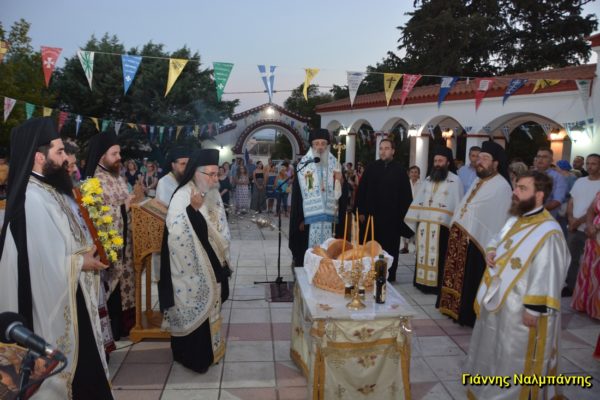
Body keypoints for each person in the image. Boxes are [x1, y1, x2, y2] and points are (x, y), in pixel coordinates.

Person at [0, 118, 113, 399]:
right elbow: (38, 262)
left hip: (74, 291)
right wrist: (80, 262)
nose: (66, 159)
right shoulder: (31, 197)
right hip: (55, 298)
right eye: (60, 152)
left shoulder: (51, 189)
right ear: (40, 157)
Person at [465, 171, 570, 400]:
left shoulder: (549, 232)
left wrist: (534, 310)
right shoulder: (517, 218)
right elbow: (498, 238)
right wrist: (491, 251)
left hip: (522, 311)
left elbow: (549, 273)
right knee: (494, 350)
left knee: (516, 357)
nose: (514, 192)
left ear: (539, 195)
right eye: (516, 187)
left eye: (522, 188)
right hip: (499, 301)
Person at [158, 149, 231, 373]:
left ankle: (213, 350)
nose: (215, 179)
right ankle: (193, 357)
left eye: (217, 174)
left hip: (213, 262)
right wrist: (193, 211)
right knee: (196, 309)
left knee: (213, 307)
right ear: (196, 173)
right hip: (191, 269)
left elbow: (221, 226)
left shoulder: (213, 193)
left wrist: (222, 253)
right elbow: (176, 234)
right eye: (210, 174)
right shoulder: (182, 195)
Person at [438, 141, 512, 326]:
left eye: (485, 158)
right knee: (456, 275)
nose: (480, 161)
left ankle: (466, 313)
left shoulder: (502, 186)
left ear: (496, 163)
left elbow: (495, 219)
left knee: (470, 277)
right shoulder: (479, 180)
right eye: (479, 158)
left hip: (478, 242)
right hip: (461, 237)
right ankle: (452, 308)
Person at [85, 131, 136, 340]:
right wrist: (124, 207)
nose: (119, 157)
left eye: (119, 153)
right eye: (114, 154)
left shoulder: (118, 177)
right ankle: (114, 329)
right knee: (113, 291)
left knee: (128, 285)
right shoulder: (94, 181)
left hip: (127, 244)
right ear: (101, 156)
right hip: (110, 249)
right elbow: (96, 216)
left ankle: (128, 325)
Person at [404, 146, 463, 293]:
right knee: (423, 254)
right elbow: (420, 199)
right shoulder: (428, 179)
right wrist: (416, 217)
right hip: (425, 224)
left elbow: (458, 204)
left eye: (440, 161)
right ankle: (421, 283)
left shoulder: (455, 181)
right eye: (435, 161)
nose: (437, 164)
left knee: (439, 256)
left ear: (448, 162)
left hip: (443, 227)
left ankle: (436, 286)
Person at [356, 138, 413, 282]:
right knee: (370, 247)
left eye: (386, 148)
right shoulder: (371, 168)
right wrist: (361, 211)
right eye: (381, 148)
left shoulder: (400, 171)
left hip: (391, 220)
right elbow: (361, 191)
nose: (383, 151)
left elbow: (406, 197)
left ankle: (388, 275)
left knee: (389, 249)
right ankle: (368, 273)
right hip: (371, 218)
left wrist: (401, 218)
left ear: (393, 151)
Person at [289, 128, 342, 257]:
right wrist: (301, 218)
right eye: (316, 143)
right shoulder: (303, 165)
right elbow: (298, 196)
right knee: (309, 252)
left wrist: (340, 181)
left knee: (329, 251)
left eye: (323, 143)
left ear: (327, 145)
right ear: (312, 145)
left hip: (330, 217)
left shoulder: (335, 164)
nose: (320, 147)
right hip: (309, 218)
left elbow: (341, 192)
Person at [563, 154, 600, 297]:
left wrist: (578, 221)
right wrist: (570, 218)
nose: (590, 166)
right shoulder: (579, 181)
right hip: (574, 228)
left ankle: (589, 292)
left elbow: (595, 210)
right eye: (588, 163)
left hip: (592, 230)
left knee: (590, 262)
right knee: (571, 259)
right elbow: (571, 201)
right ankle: (571, 287)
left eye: (594, 164)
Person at [571, 190, 600, 318]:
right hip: (593, 237)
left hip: (596, 231)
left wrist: (596, 227)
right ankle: (588, 306)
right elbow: (590, 211)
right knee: (591, 272)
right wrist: (589, 225)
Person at [534, 147, 567, 218]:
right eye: (538, 156)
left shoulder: (558, 178)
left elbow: (557, 201)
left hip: (546, 218)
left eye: (544, 157)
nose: (540, 159)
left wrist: (536, 210)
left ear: (551, 160)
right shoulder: (529, 175)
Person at [401, 165, 421, 254]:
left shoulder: (422, 185)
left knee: (417, 229)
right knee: (406, 227)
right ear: (409, 174)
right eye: (412, 172)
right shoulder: (405, 183)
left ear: (419, 174)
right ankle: (405, 247)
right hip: (407, 209)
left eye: (416, 172)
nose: (414, 174)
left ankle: (417, 248)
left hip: (418, 210)